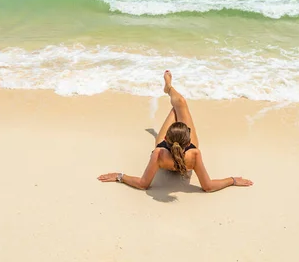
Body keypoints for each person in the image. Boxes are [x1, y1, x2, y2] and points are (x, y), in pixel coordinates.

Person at [97, 71, 254, 192]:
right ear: (189, 139)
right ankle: (170, 89)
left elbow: (143, 184)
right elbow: (208, 186)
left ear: (165, 137)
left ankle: (169, 88)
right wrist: (232, 180)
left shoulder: (158, 153)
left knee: (177, 107)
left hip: (165, 155)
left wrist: (120, 177)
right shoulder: (194, 154)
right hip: (184, 154)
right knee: (181, 104)